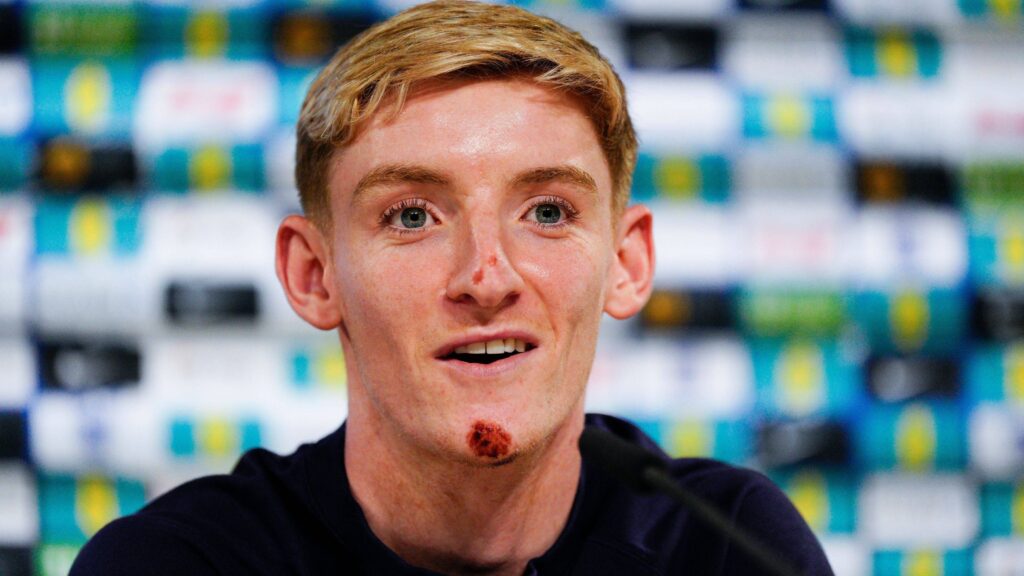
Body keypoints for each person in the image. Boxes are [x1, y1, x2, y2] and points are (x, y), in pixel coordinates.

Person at [71, 1, 834, 574]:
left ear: (627, 263)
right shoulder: (178, 563)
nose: (487, 278)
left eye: (547, 212)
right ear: (313, 275)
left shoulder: (728, 546)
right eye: (411, 216)